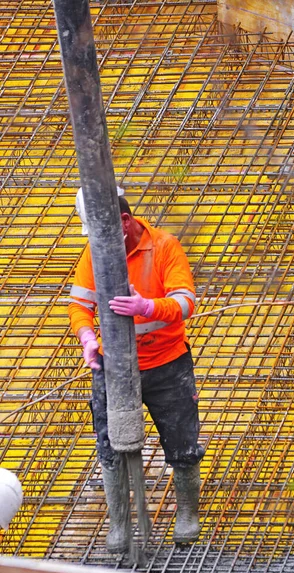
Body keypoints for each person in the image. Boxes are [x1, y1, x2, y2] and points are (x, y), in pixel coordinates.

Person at [68, 187, 204, 552]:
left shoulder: (164, 247)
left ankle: (188, 514)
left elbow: (185, 301)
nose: (101, 244)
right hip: (114, 368)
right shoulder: (94, 253)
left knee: (183, 443)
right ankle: (119, 523)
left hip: (166, 364)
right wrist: (87, 339)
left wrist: (148, 307)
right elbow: (79, 307)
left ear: (125, 222)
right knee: (111, 445)